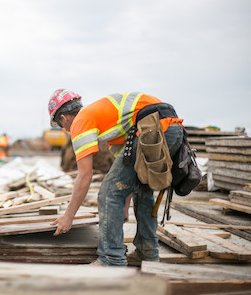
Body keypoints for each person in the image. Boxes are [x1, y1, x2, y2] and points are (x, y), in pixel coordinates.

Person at [48, 89, 184, 266]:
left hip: (153, 128)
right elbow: (128, 177)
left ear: (63, 118)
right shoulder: (110, 127)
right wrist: (125, 206)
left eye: (61, 125)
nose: (64, 130)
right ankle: (148, 254)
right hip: (171, 128)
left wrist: (68, 216)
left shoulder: (80, 121)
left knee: (108, 193)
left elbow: (84, 175)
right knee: (142, 188)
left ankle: (110, 260)